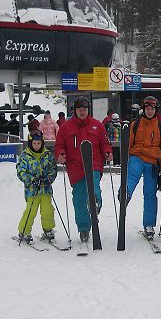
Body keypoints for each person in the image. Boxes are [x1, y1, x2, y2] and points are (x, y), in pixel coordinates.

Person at [55, 95, 112, 243]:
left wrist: (107, 152)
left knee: (93, 184)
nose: (82, 111)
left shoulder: (97, 125)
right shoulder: (65, 127)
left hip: (94, 163)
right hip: (75, 167)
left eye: (85, 109)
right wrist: (61, 155)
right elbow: (59, 145)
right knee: (79, 200)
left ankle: (95, 202)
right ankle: (84, 228)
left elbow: (105, 143)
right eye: (79, 109)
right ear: (75, 110)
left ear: (88, 110)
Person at [125, 96, 161, 239]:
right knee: (133, 174)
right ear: (143, 110)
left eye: (152, 109)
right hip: (137, 156)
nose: (149, 111)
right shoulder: (136, 124)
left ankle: (149, 224)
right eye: (147, 109)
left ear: (156, 110)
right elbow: (128, 144)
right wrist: (125, 159)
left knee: (150, 193)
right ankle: (125, 193)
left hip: (153, 161)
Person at [16, 130, 58, 244]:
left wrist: (49, 178)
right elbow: (21, 171)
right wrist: (30, 180)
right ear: (30, 143)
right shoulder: (26, 156)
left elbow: (53, 169)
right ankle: (24, 231)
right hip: (32, 190)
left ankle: (48, 229)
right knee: (31, 210)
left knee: (47, 210)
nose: (36, 146)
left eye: (38, 144)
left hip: (45, 189)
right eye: (34, 144)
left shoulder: (47, 155)